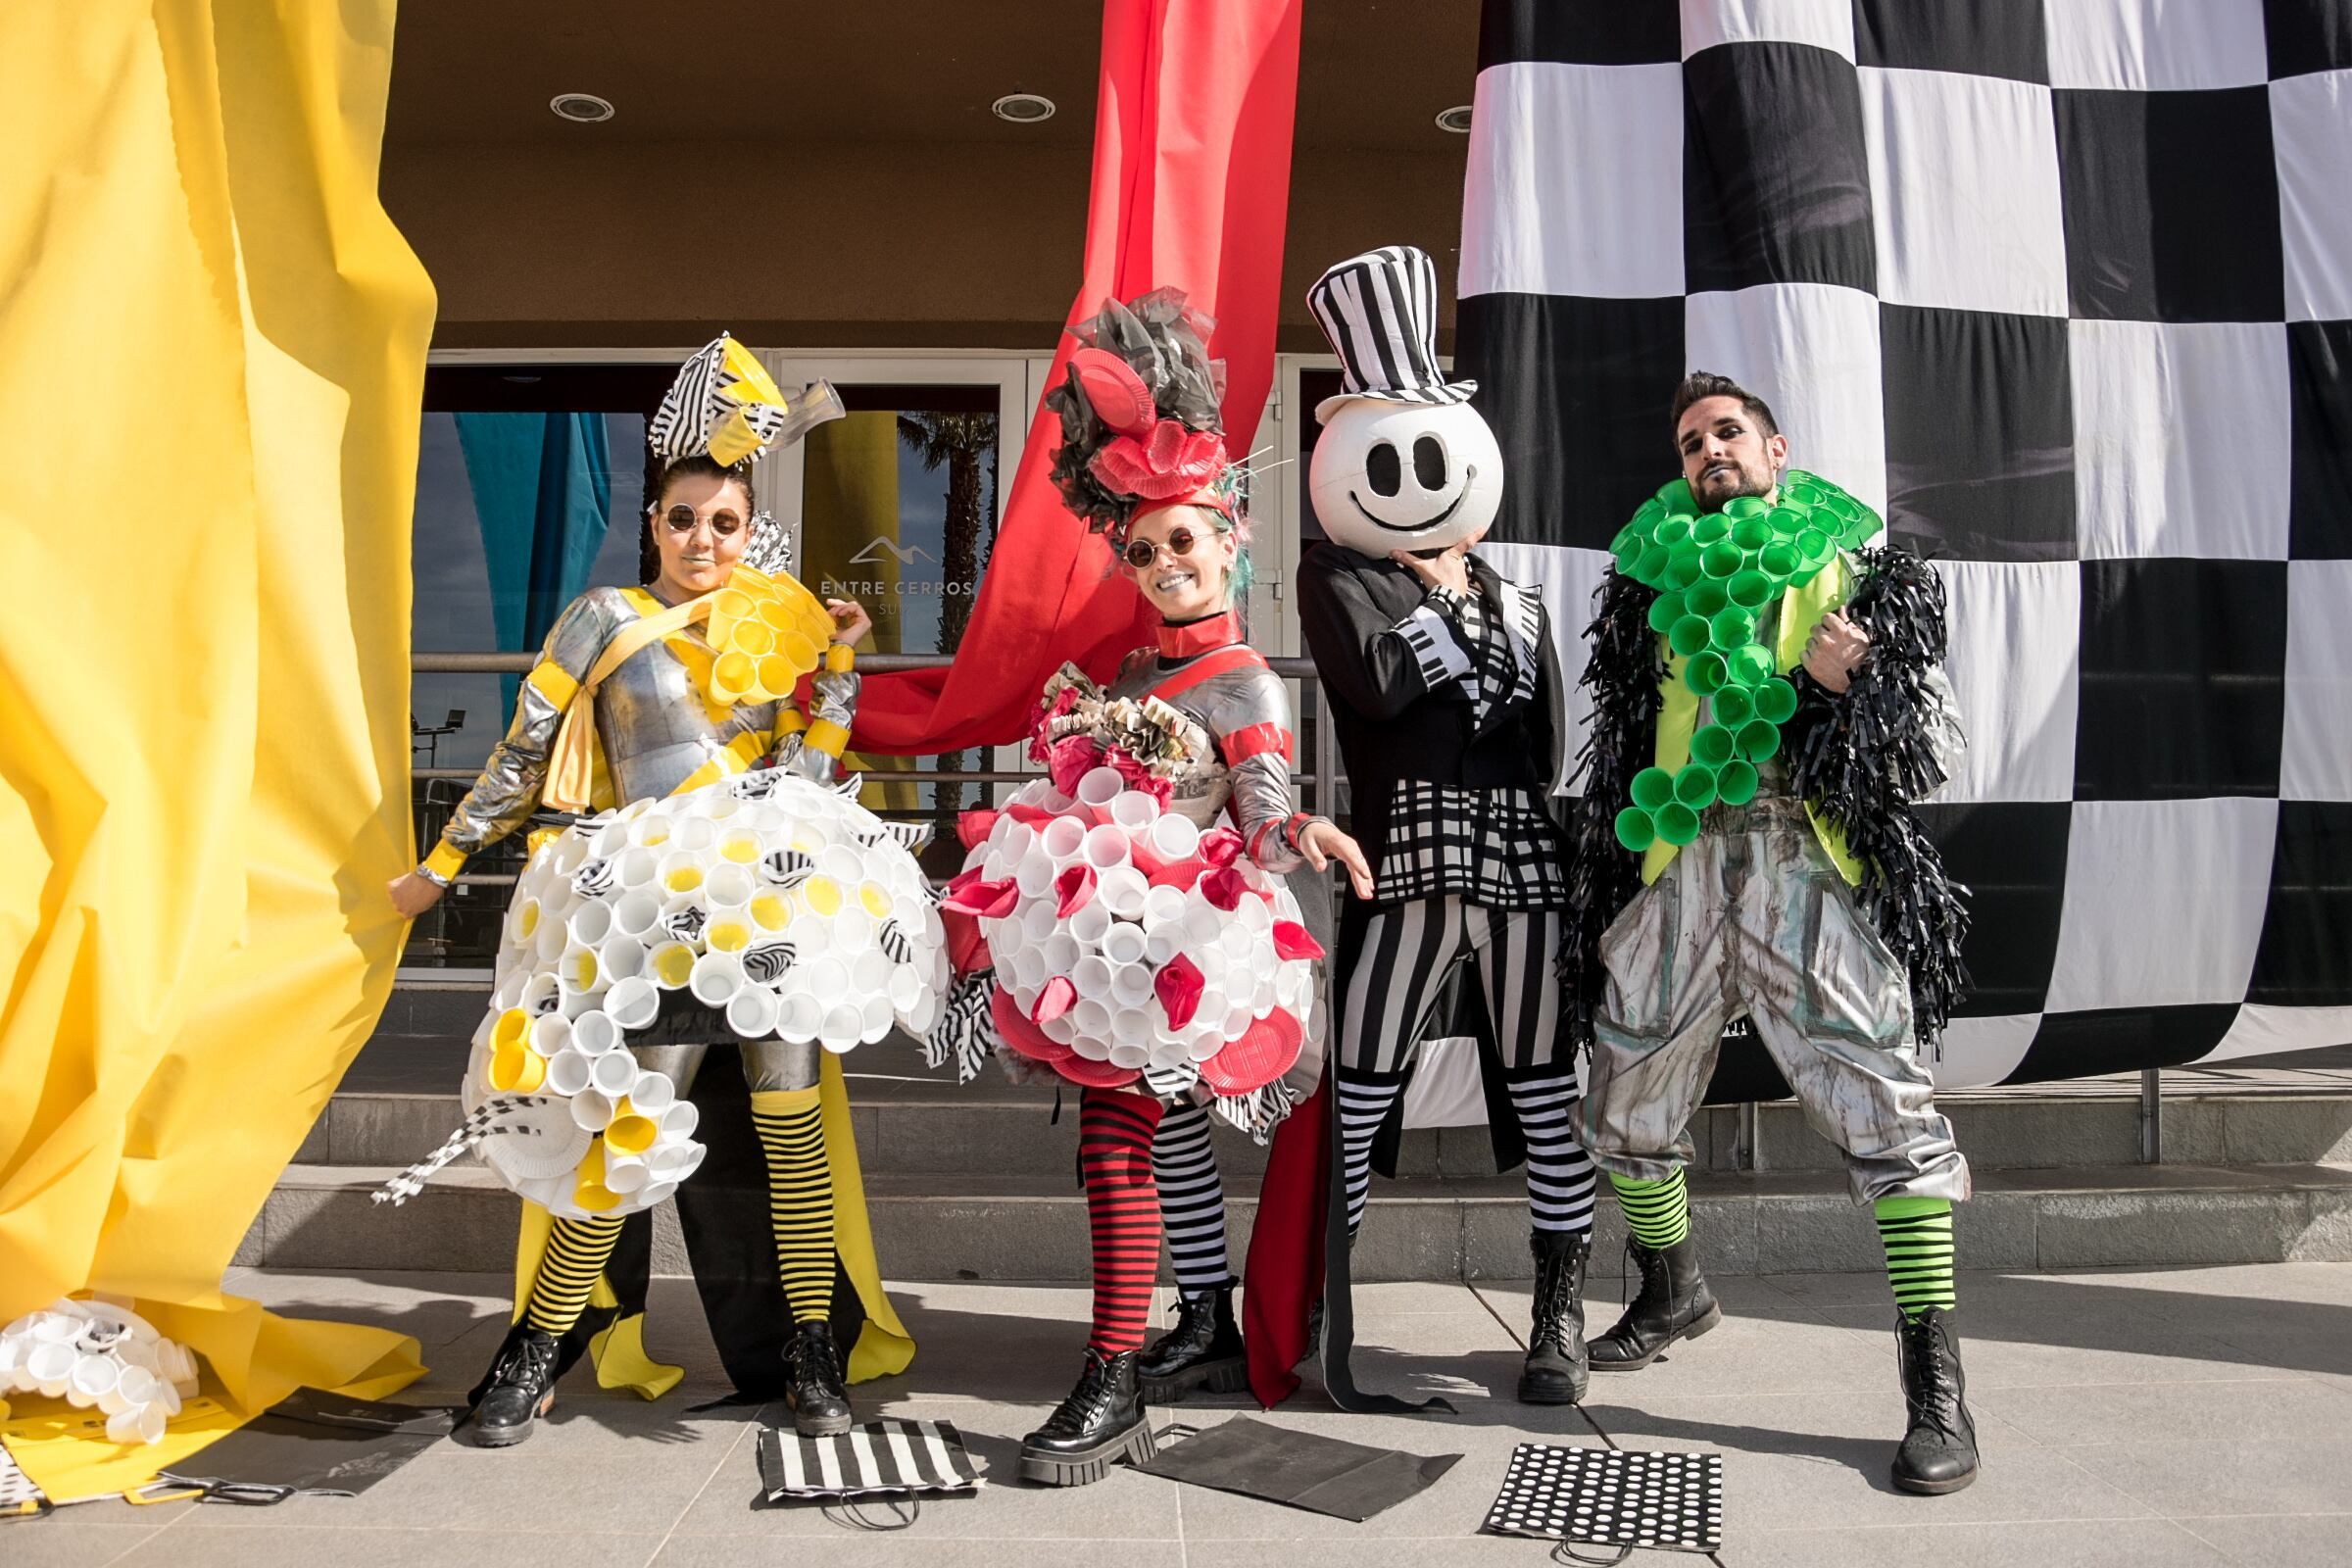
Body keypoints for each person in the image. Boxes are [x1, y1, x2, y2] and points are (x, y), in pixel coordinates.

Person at [387, 337, 915, 1445]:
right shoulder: (603, 619)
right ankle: (534, 1351)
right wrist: (440, 868)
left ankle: (810, 1355)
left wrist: (840, 679)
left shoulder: (775, 624)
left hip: (768, 906)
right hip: (649, 912)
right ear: (654, 525)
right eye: (684, 520)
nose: (703, 541)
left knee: (790, 1128)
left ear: (746, 529)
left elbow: (804, 777)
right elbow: (524, 750)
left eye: (724, 523)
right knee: (625, 1123)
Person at [930, 290, 1370, 1484]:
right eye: (1146, 548)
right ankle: (1204, 1321)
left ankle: (1113, 1373)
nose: (1169, 563)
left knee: (1120, 1145)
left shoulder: (1247, 688)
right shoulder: (1127, 670)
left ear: (1229, 537)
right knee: (1147, 1137)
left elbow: (1264, 813)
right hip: (1105, 940)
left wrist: (1301, 836)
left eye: (1187, 541)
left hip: (1178, 950)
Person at [1564, 370, 1978, 1494]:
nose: (1710, 452)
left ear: (1777, 445)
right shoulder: (1644, 581)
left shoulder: (1856, 568)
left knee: (1888, 1109)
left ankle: (1936, 1386)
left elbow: (1914, 735)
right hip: (1684, 856)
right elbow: (1624, 741)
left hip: (1806, 854)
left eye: (1728, 433)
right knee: (1626, 1099)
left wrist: (1852, 683)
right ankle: (1672, 1286)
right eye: (1692, 440)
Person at [1297, 245, 1599, 1409]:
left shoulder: (1519, 595)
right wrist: (1438, 603)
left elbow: (1545, 731)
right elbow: (1374, 688)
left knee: (1540, 1078)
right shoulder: (1342, 580)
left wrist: (1468, 607)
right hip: (1405, 857)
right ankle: (1327, 1300)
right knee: (1366, 1071)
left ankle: (1558, 1313)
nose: (1415, 476)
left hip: (1517, 856)